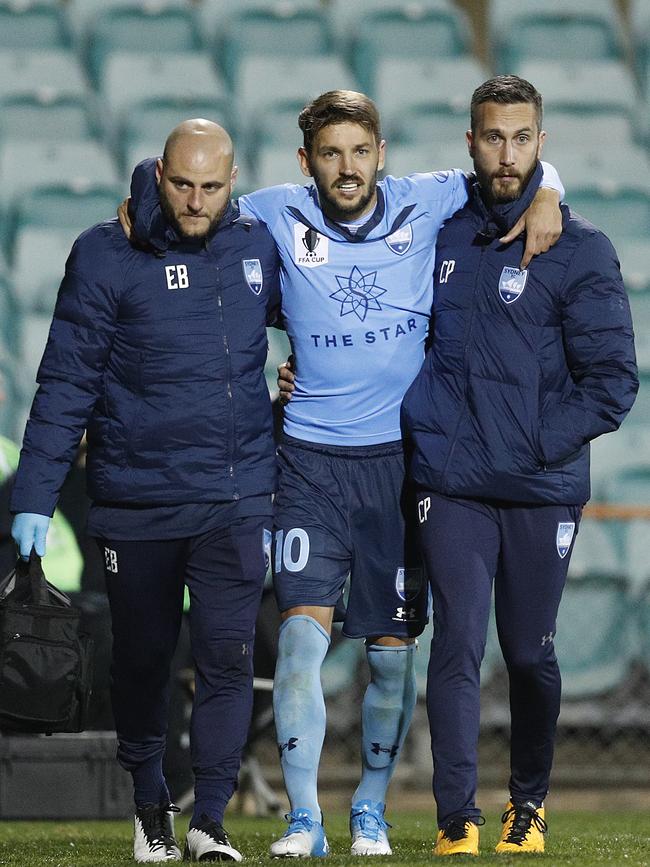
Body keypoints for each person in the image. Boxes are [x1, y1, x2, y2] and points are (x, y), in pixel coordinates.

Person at [121, 89, 564, 858]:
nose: (347, 168)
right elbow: (178, 194)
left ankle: (368, 808)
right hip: (309, 466)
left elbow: (513, 169)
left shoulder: (426, 202)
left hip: (402, 471)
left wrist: (551, 186)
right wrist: (136, 199)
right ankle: (303, 818)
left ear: (381, 153)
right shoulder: (270, 213)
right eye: (331, 154)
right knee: (300, 646)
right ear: (306, 162)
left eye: (361, 151)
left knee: (391, 662)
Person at [10, 120, 281, 863]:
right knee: (143, 660)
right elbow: (65, 381)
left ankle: (212, 818)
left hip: (235, 495)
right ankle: (150, 805)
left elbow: (322, 317)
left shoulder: (260, 245)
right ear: (159, 173)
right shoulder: (104, 253)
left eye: (212, 187)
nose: (196, 202)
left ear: (235, 181)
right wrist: (33, 493)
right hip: (135, 499)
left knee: (228, 654)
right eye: (183, 184)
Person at [400, 76, 639, 857]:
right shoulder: (436, 232)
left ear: (543, 142)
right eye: (493, 137)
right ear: (469, 141)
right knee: (458, 642)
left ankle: (528, 803)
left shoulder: (582, 248)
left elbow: (613, 383)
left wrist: (533, 442)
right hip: (454, 484)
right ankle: (454, 817)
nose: (508, 155)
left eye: (522, 138)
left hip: (540, 487)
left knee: (531, 652)